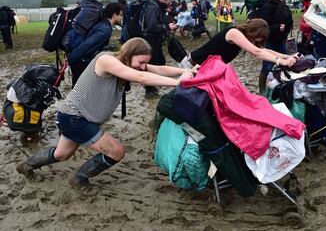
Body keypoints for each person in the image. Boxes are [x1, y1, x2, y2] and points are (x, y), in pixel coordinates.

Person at [15, 38, 196, 192]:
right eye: (140, 62)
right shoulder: (106, 60)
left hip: (77, 118)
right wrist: (178, 83)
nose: (143, 67)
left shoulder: (130, 63)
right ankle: (79, 179)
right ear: (127, 54)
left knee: (62, 154)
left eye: (144, 63)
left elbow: (159, 69)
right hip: (74, 118)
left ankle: (26, 166)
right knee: (117, 151)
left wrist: (186, 72)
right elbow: (140, 78)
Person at [180, 18, 298, 71]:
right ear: (253, 31)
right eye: (258, 38)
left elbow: (264, 50)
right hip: (191, 66)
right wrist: (280, 61)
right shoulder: (234, 33)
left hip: (205, 69)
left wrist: (286, 57)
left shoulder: (243, 37)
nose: (257, 41)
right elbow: (257, 52)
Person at [67, 2, 124, 88]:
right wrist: (72, 58)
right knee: (81, 91)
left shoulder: (103, 24)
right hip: (81, 62)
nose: (122, 18)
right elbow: (88, 45)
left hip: (80, 60)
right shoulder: (105, 29)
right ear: (114, 15)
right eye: (121, 15)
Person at [256, 0, 294, 94]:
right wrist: (277, 27)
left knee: (286, 62)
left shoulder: (282, 3)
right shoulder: (266, 7)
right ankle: (262, 91)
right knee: (267, 67)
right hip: (270, 41)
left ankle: (283, 89)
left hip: (281, 39)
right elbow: (263, 25)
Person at [142, 0, 178, 98]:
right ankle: (149, 89)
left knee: (160, 62)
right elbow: (151, 26)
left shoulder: (159, 6)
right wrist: (166, 27)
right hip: (149, 41)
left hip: (156, 41)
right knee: (153, 64)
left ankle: (152, 85)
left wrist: (167, 25)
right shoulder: (152, 7)